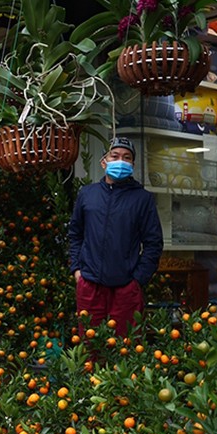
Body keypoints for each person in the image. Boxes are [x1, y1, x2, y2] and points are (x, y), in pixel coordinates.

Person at [68, 136, 163, 336]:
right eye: (115, 155)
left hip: (126, 289)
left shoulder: (142, 199)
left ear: (132, 165)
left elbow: (153, 243)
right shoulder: (87, 194)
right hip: (90, 286)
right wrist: (77, 270)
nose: (121, 161)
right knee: (91, 347)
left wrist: (137, 280)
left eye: (127, 158)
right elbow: (75, 234)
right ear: (104, 161)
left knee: (125, 349)